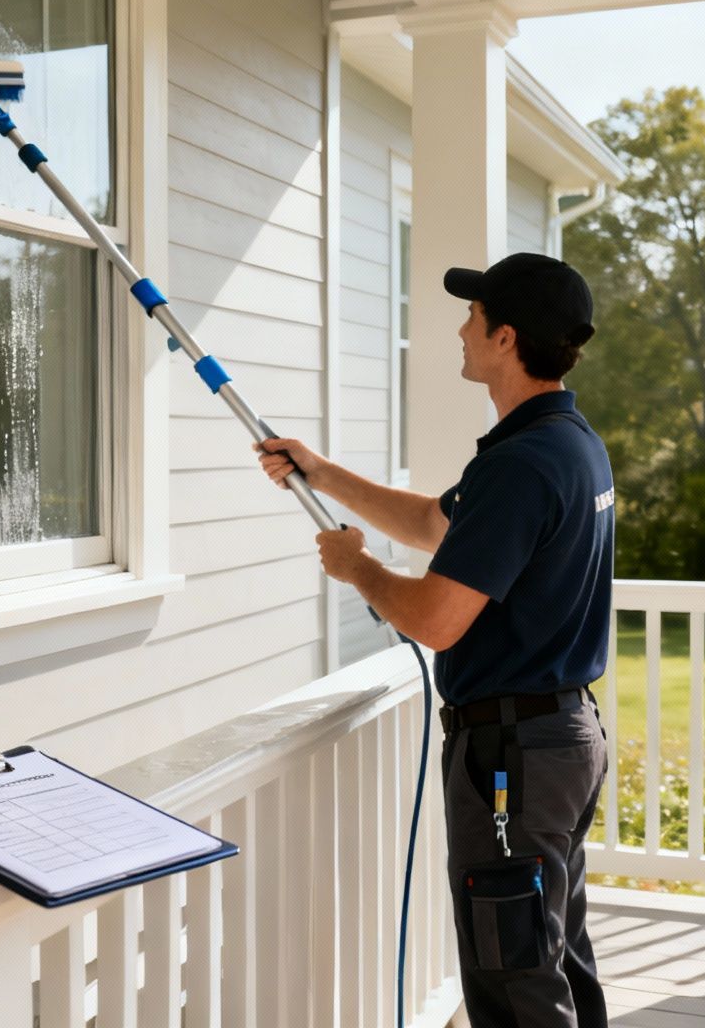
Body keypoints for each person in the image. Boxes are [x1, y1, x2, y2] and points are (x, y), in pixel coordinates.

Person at [257, 253, 614, 1028]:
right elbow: (432, 523)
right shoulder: (565, 441)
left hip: (514, 759)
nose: (461, 329)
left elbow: (435, 619)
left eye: (474, 317)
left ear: (506, 339)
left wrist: (359, 570)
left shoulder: (523, 464)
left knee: (514, 978)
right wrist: (320, 474)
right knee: (553, 954)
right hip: (559, 739)